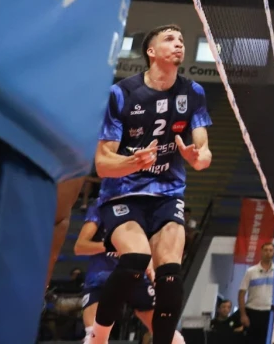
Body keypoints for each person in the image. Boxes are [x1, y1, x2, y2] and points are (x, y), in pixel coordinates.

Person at [89, 25, 212, 344]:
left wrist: (198, 157)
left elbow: (203, 153)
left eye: (182, 40)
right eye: (170, 39)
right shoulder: (121, 94)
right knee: (135, 258)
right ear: (151, 52)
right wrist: (133, 162)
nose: (179, 44)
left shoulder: (193, 92)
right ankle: (99, 337)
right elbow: (103, 164)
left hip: (167, 194)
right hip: (123, 191)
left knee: (170, 275)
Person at [74, 198, 158, 343]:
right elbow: (79, 247)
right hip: (101, 278)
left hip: (134, 275)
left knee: (164, 332)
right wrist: (112, 246)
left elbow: (146, 244)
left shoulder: (143, 205)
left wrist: (151, 269)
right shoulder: (100, 205)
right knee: (93, 337)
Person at [239, 242, 274, 342]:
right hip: (252, 312)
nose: (268, 253)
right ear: (261, 252)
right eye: (265, 250)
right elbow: (241, 293)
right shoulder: (251, 271)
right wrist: (243, 315)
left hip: (269, 312)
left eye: (270, 250)